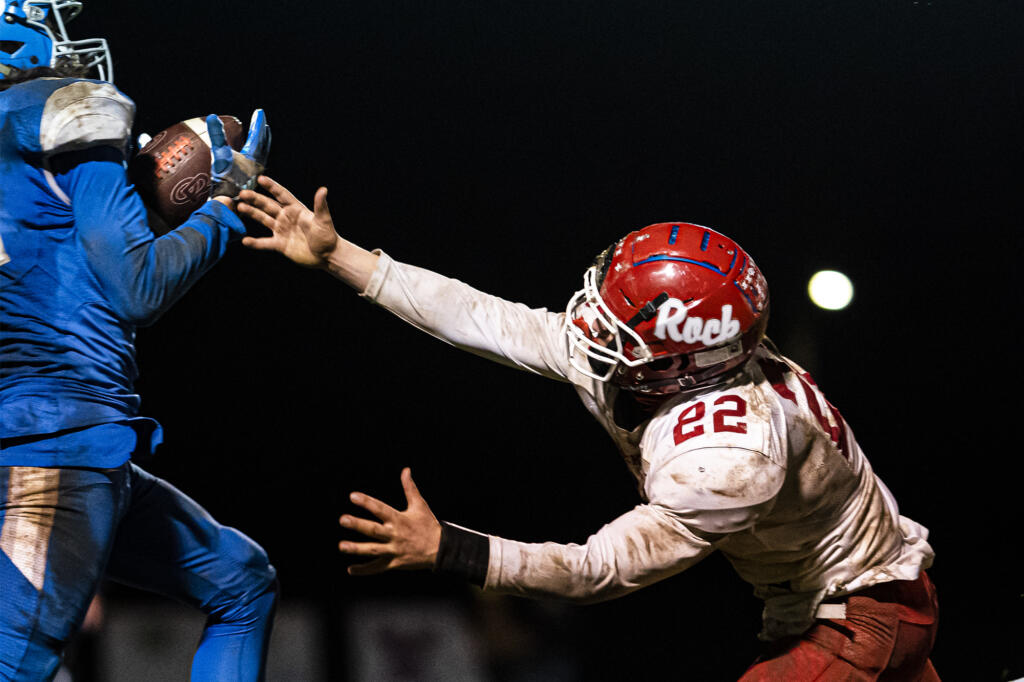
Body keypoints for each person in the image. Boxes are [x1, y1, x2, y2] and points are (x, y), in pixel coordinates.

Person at [236, 176, 939, 680]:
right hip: (864, 605)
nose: (588, 330)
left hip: (854, 620)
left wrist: (452, 549)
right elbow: (488, 319)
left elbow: (595, 571)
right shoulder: (686, 365)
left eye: (618, 328)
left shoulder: (730, 455)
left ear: (687, 364)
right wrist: (340, 256)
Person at [0, 2, 277, 679]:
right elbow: (137, 286)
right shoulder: (64, 105)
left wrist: (138, 208)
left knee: (242, 581)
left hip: (32, 435)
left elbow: (50, 247)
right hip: (58, 448)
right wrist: (226, 205)